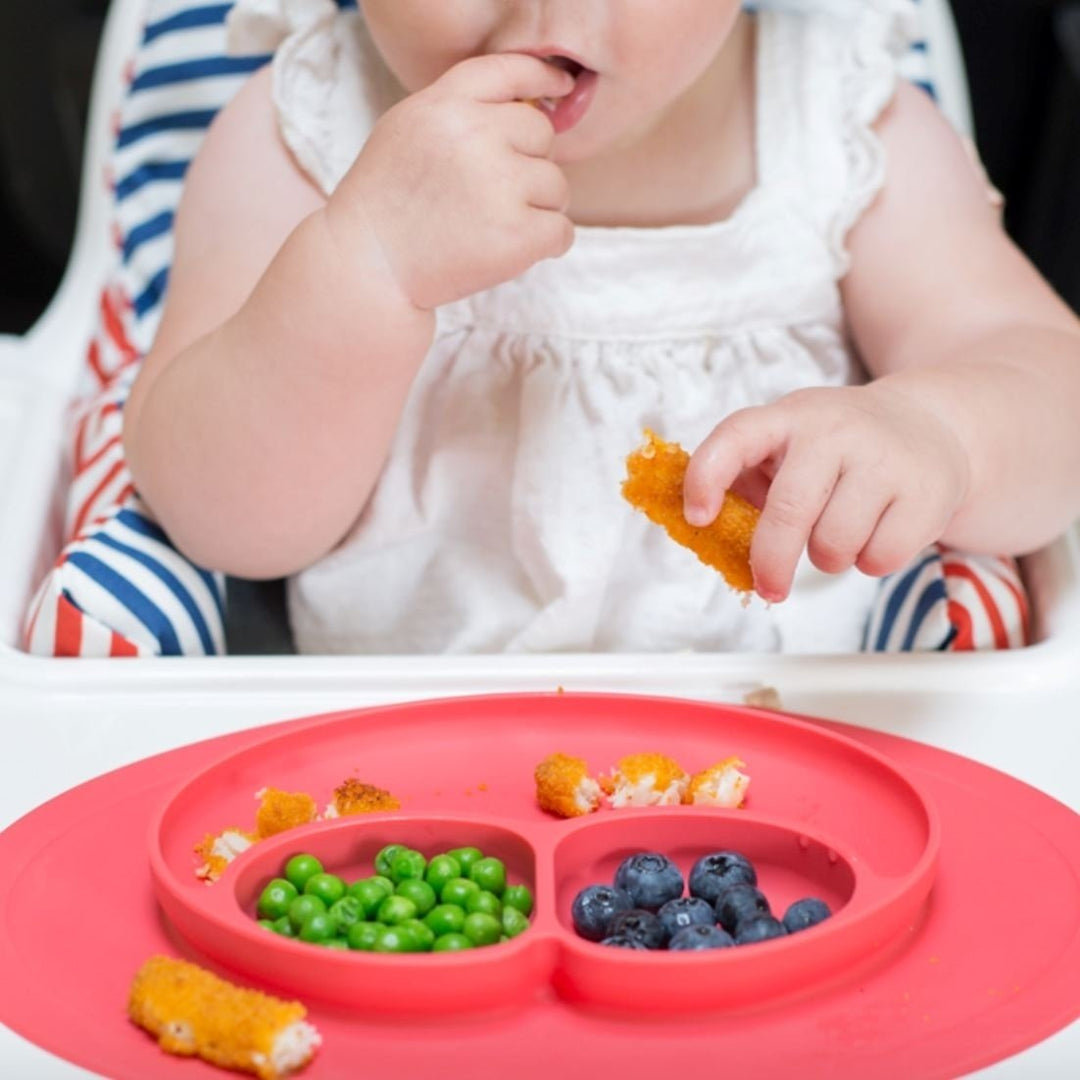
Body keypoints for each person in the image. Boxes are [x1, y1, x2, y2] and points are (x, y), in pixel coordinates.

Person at [119, 0, 1080, 656]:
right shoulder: (306, 134)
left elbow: (1046, 385)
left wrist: (938, 432)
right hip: (406, 784)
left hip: (811, 753)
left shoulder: (842, 126)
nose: (545, 10)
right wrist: (363, 264)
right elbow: (214, 514)